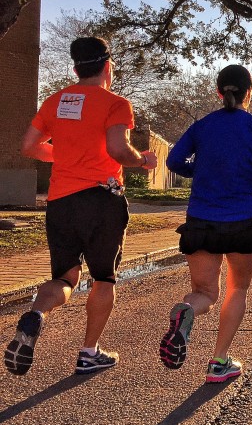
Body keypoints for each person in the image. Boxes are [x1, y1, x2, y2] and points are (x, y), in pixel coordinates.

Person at [5, 37, 158, 376]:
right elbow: (118, 150)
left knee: (64, 277)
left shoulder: (55, 101)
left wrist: (65, 155)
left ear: (75, 68)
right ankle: (89, 352)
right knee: (104, 278)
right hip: (101, 200)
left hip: (60, 202)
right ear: (107, 67)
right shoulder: (115, 103)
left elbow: (29, 146)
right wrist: (143, 161)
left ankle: (35, 316)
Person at [160, 64, 252, 383]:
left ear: (219, 91)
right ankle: (219, 362)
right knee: (237, 288)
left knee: (204, 292)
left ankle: (187, 311)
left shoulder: (202, 127)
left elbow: (173, 161)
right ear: (249, 92)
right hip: (242, 221)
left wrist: (199, 171)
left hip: (201, 221)